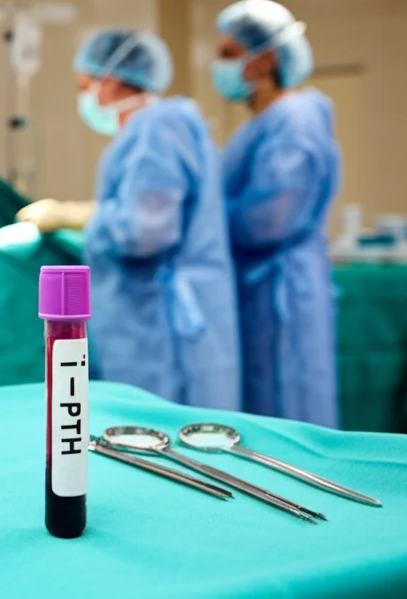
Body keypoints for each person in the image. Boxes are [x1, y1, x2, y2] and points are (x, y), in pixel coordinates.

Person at [17, 28, 240, 410]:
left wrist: (74, 215)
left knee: (161, 436)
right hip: (166, 321)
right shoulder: (165, 128)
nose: (85, 98)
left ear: (114, 82)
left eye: (86, 85)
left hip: (163, 329)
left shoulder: (155, 129)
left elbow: (145, 229)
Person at [212, 0, 341, 427]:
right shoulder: (260, 126)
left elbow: (271, 219)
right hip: (259, 291)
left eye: (229, 53)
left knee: (291, 413)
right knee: (263, 414)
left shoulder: (294, 121)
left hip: (282, 292)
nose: (219, 64)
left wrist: (199, 224)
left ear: (265, 59)